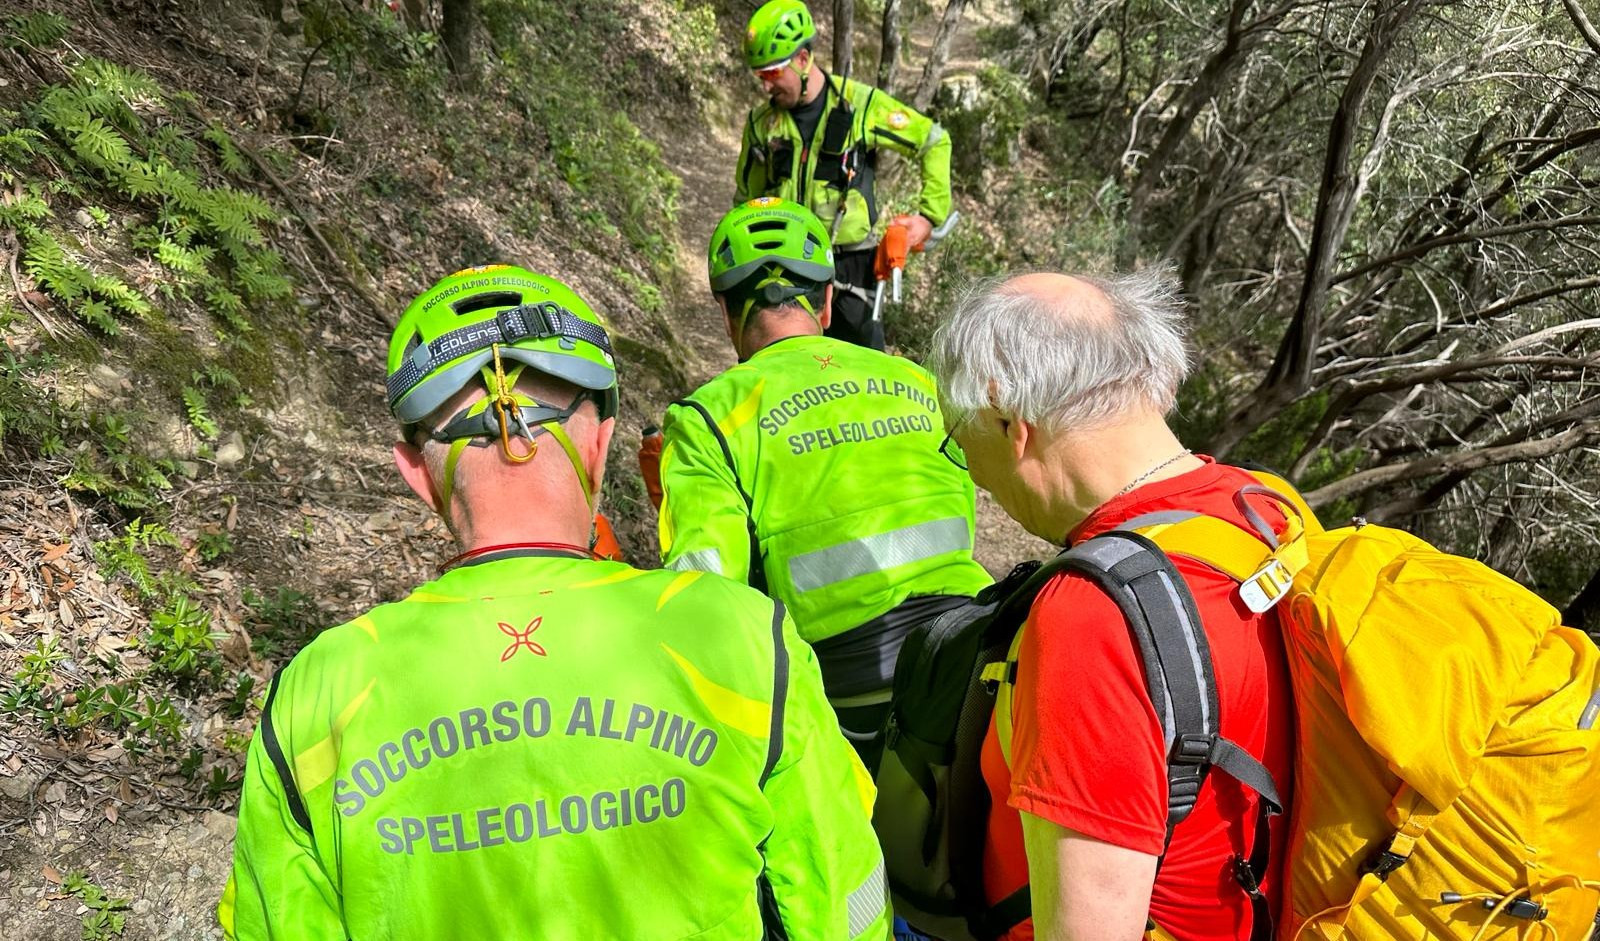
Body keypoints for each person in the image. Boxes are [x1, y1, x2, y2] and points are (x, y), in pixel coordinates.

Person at [220, 265, 892, 940]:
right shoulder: (745, 638)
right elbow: (844, 898)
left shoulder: (313, 697)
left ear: (416, 473)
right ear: (601, 448)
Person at [927, 270, 1294, 940]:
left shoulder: (1094, 617)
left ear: (1008, 418)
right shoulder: (1266, 511)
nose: (974, 474)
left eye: (961, 440)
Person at [658, 199, 990, 770]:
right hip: (971, 651)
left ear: (726, 313)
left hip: (839, 692)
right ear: (829, 300)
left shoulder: (707, 418)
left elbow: (705, 595)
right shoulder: (914, 378)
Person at [735, 0, 953, 351]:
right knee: (789, 370)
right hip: (786, 267)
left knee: (864, 376)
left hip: (852, 269)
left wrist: (928, 216)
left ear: (803, 59)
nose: (765, 86)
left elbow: (933, 141)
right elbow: (746, 203)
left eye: (773, 73)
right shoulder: (762, 125)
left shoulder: (860, 106)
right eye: (760, 75)